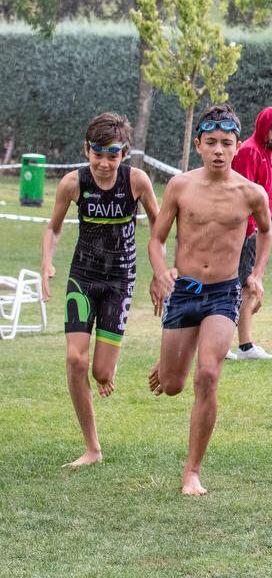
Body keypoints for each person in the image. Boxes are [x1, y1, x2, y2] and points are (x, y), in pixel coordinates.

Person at [145, 104, 272, 496]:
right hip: (185, 291)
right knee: (171, 385)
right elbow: (156, 238)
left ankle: (192, 472)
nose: (219, 150)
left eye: (227, 143)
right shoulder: (180, 186)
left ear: (238, 147)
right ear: (198, 144)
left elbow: (266, 232)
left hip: (223, 293)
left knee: (209, 375)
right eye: (212, 142)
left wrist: (257, 274)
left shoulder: (250, 193)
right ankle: (171, 362)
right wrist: (160, 269)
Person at [41, 112, 159, 467]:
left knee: (101, 373)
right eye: (98, 154)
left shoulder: (137, 182)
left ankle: (108, 369)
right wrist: (47, 261)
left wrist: (161, 270)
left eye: (112, 155)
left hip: (120, 280)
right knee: (76, 360)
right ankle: (92, 448)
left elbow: (160, 225)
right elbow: (53, 228)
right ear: (86, 149)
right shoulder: (72, 184)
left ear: (124, 152)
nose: (105, 164)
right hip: (83, 276)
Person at [226, 106, 272, 361]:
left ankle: (243, 345)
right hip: (243, 232)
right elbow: (242, 194)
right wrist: (249, 229)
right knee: (239, 286)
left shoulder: (267, 154)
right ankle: (238, 344)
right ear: (263, 125)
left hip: (256, 232)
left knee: (244, 287)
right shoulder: (251, 151)